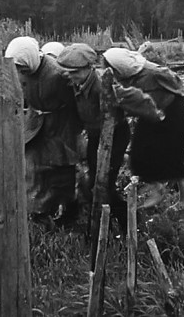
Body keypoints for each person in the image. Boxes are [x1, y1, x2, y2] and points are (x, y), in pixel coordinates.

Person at [5, 36, 82, 225]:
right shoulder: (19, 72)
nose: (19, 72)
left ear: (31, 59)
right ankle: (37, 211)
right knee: (31, 166)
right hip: (34, 123)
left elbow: (74, 103)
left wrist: (75, 130)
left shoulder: (57, 74)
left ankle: (67, 209)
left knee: (61, 168)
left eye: (22, 68)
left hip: (59, 125)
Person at [102, 47, 184, 209]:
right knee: (138, 154)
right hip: (149, 115)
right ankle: (157, 188)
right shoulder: (126, 77)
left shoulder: (155, 73)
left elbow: (178, 85)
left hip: (172, 113)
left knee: (176, 155)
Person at [57, 43, 131, 229]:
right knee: (93, 179)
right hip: (94, 134)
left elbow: (118, 113)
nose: (71, 76)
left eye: (75, 72)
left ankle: (126, 220)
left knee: (104, 181)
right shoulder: (74, 84)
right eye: (69, 72)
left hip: (114, 134)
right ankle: (96, 218)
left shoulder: (102, 86)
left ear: (89, 68)